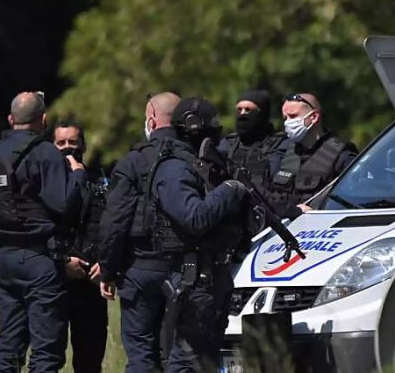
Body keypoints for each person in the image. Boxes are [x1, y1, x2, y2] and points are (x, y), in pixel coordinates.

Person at [0, 92, 86, 373]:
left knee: (9, 346)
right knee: (46, 351)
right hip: (40, 260)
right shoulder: (45, 152)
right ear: (44, 120)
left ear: (11, 120)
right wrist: (78, 175)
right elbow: (63, 204)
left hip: (4, 261)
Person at [152, 97, 248, 372]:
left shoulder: (202, 165)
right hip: (191, 281)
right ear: (194, 126)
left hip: (212, 279)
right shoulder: (175, 169)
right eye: (213, 123)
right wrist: (230, 190)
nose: (219, 130)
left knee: (206, 360)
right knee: (187, 361)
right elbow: (194, 218)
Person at [96, 91, 182, 373]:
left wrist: (108, 270)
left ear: (151, 120)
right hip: (187, 272)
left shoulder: (133, 162)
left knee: (141, 353)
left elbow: (115, 221)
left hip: (141, 269)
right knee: (181, 354)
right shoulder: (195, 157)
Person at [52, 119, 108, 373]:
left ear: (83, 145)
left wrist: (105, 263)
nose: (67, 148)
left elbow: (111, 227)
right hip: (56, 279)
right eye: (60, 143)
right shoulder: (45, 183)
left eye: (72, 143)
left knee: (90, 358)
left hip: (91, 281)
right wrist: (62, 262)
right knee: (49, 356)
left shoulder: (99, 180)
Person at [269, 93, 358, 219]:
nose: (288, 123)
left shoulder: (341, 155)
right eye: (285, 118)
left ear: (314, 117)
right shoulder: (282, 152)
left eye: (293, 116)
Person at [217, 89, 286, 189]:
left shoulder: (281, 145)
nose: (242, 114)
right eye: (239, 109)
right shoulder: (227, 144)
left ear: (263, 113)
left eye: (248, 110)